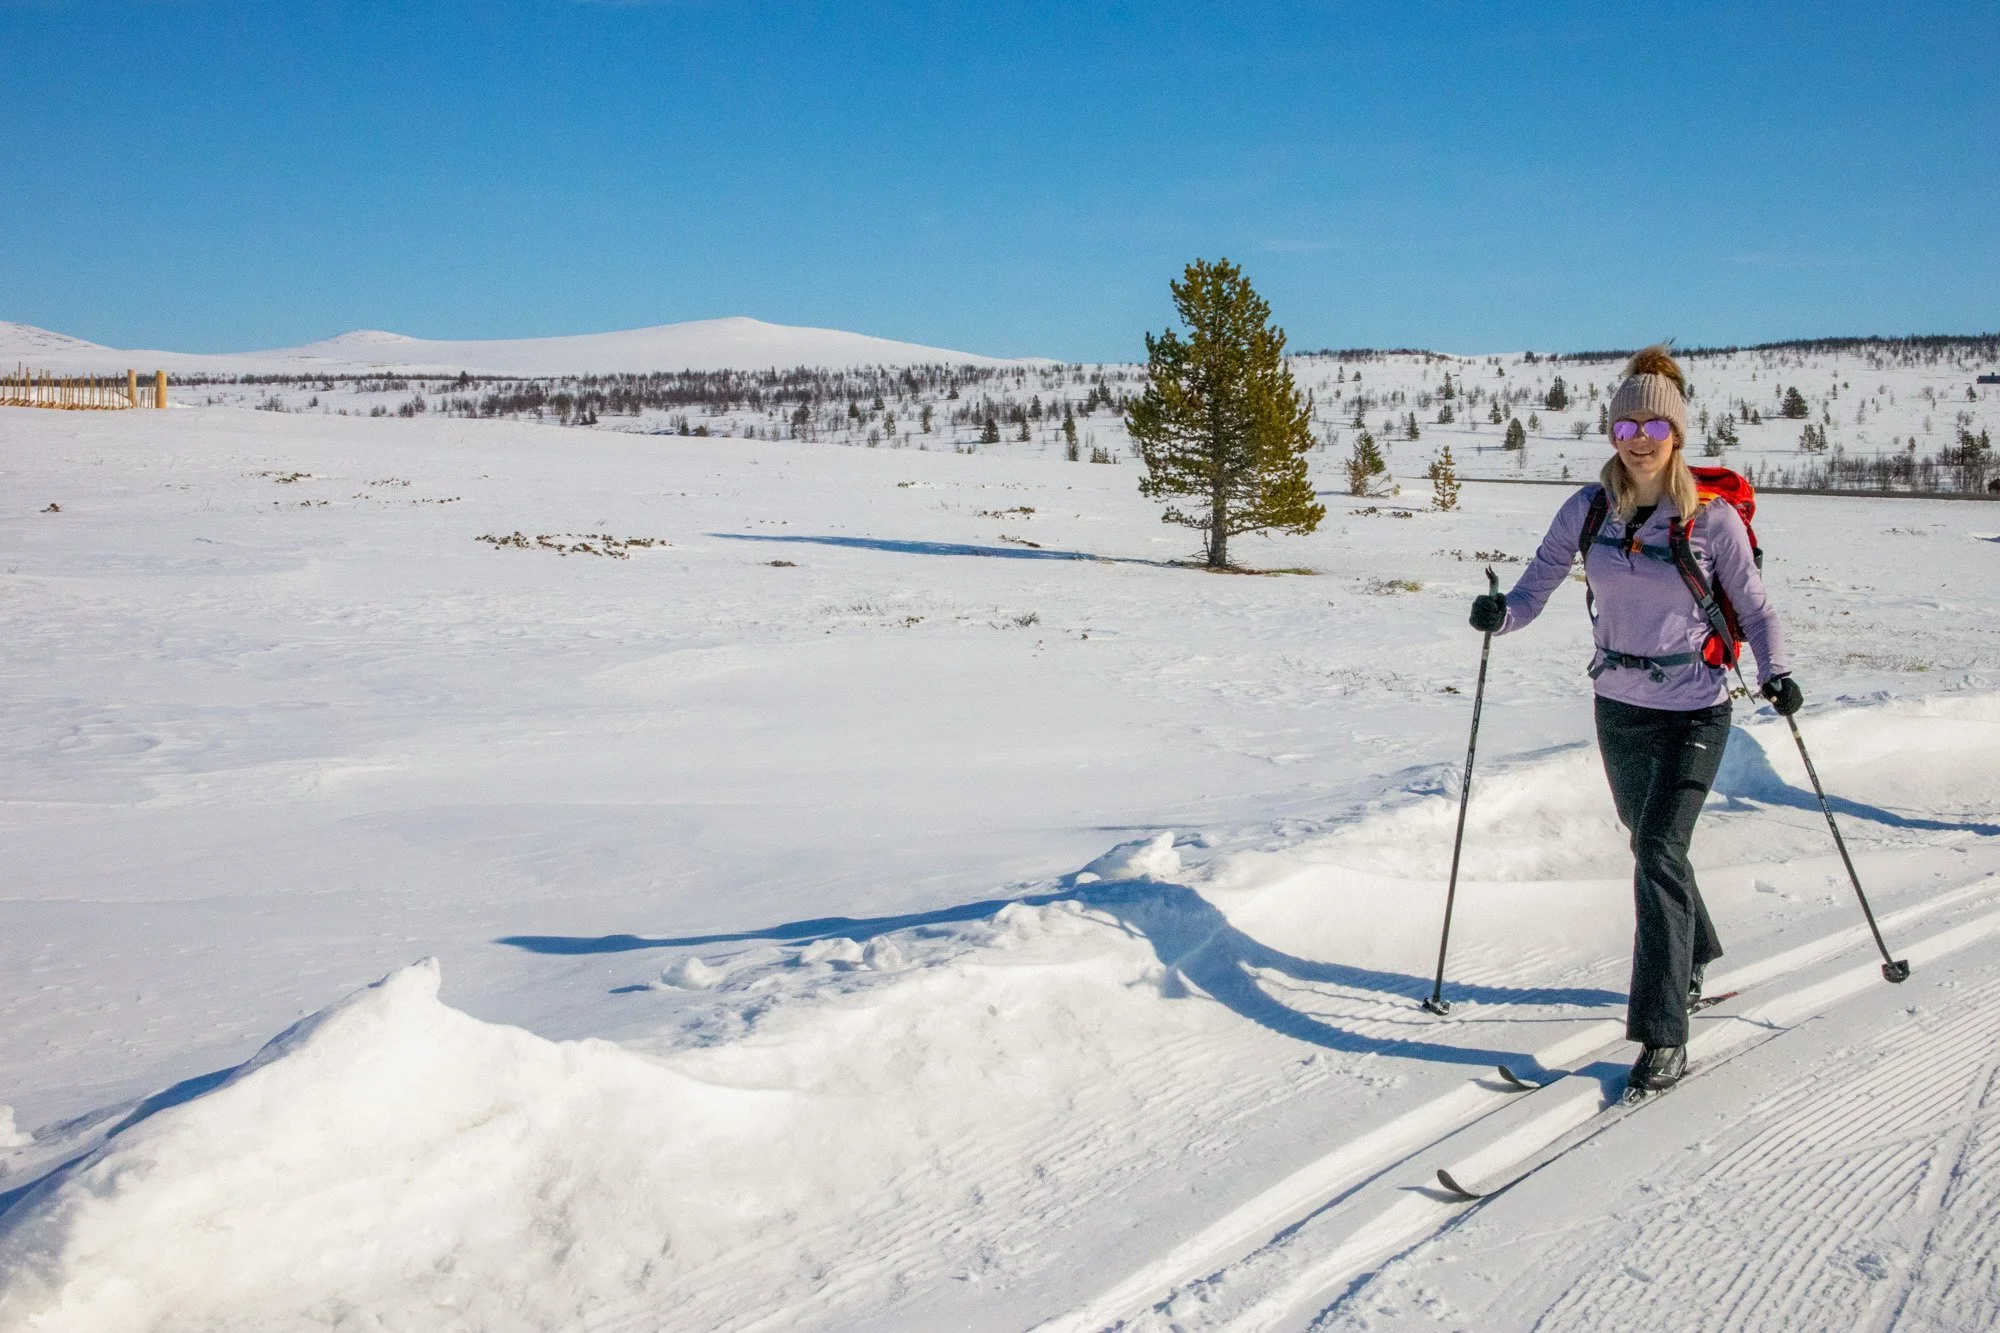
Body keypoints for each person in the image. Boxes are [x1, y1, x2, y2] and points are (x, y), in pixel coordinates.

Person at [1467, 345, 1801, 1094]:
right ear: (1611, 433)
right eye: (1626, 426)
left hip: (1696, 710)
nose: (1639, 439)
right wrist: (1501, 615)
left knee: (1656, 847)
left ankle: (1661, 1032)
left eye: (1654, 425)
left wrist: (1775, 673)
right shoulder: (1588, 509)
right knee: (1647, 842)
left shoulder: (1711, 520)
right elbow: (1534, 588)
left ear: (1676, 433)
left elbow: (1757, 610)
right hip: (1618, 705)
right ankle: (1694, 949)